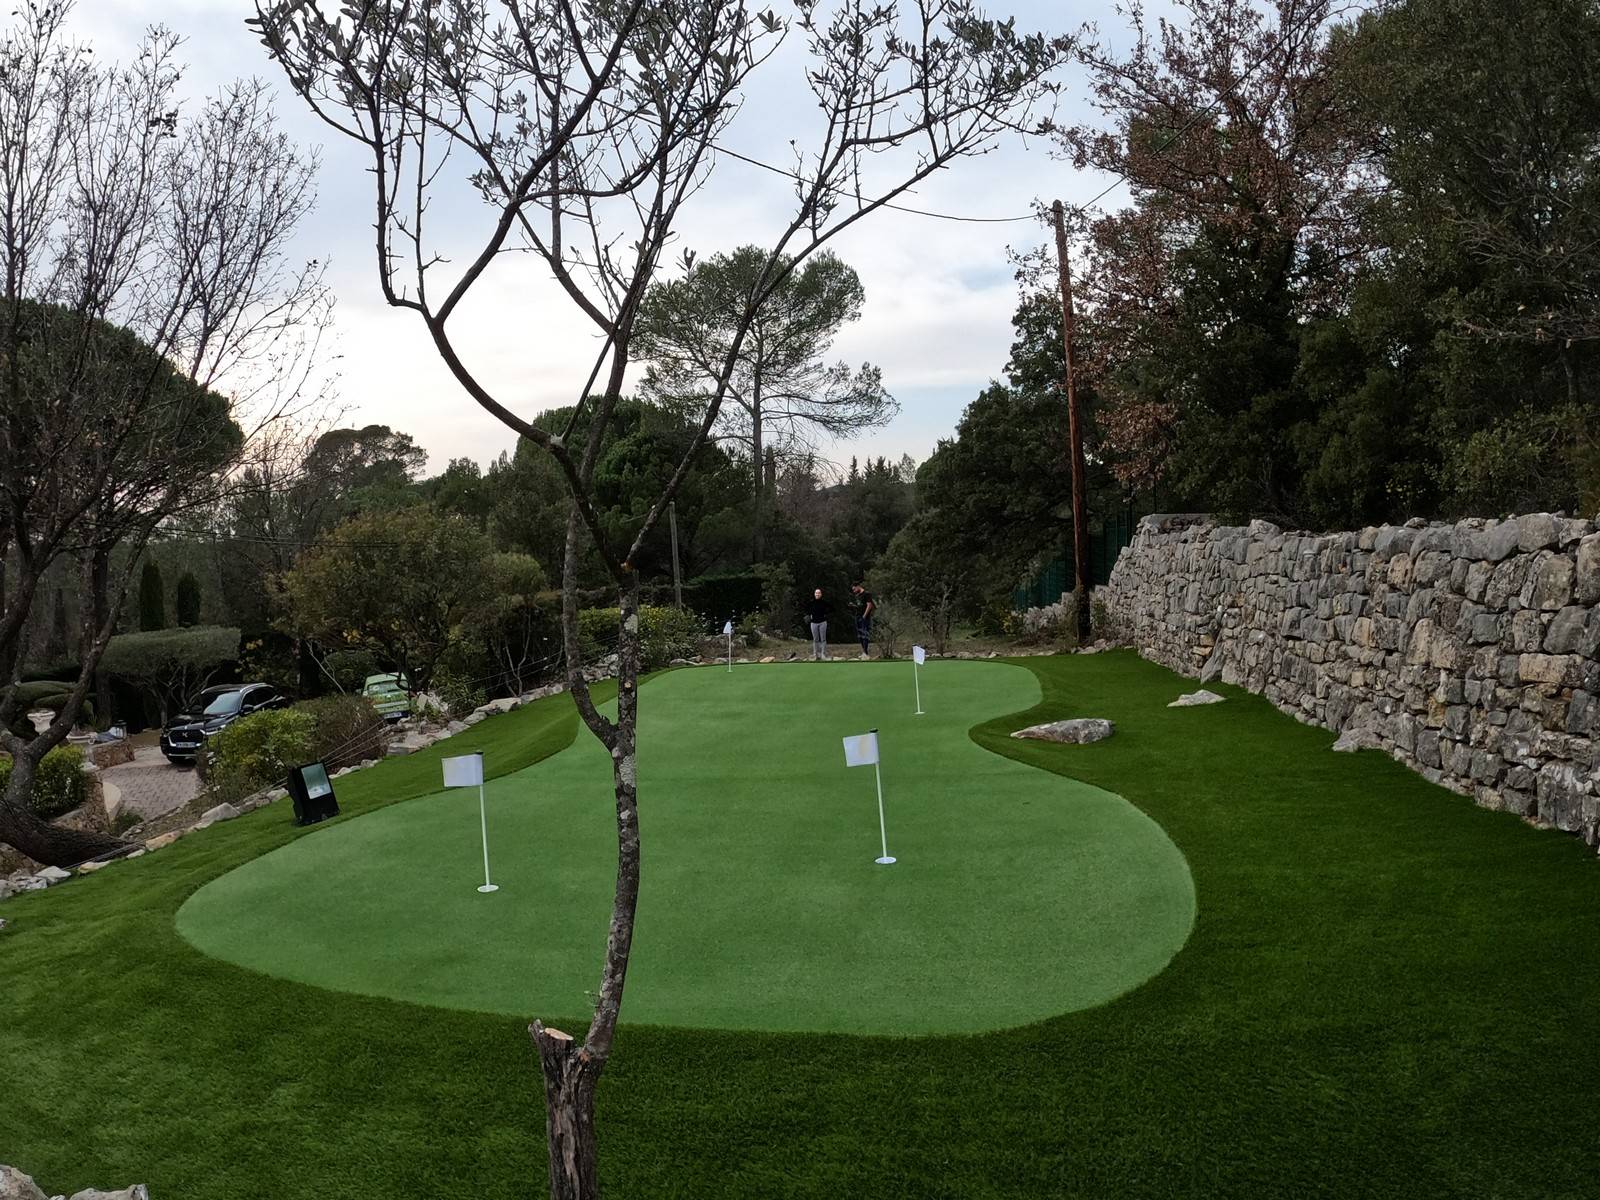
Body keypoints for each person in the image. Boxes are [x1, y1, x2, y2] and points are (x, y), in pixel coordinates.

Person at [851, 582, 875, 659]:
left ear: (858, 587)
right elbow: (859, 605)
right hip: (857, 616)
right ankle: (864, 652)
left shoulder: (866, 594)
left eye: (854, 589)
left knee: (865, 634)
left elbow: (869, 605)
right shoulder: (857, 595)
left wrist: (864, 616)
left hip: (864, 617)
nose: (854, 591)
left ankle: (865, 652)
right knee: (860, 635)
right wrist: (853, 606)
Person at [806, 588, 831, 661]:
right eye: (816, 593)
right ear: (814, 594)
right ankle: (815, 654)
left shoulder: (824, 603)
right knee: (815, 639)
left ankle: (823, 654)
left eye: (819, 593)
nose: (817, 594)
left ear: (821, 594)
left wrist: (826, 614)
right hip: (813, 623)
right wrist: (809, 616)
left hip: (822, 622)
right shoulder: (811, 603)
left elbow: (831, 608)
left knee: (823, 639)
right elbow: (807, 610)